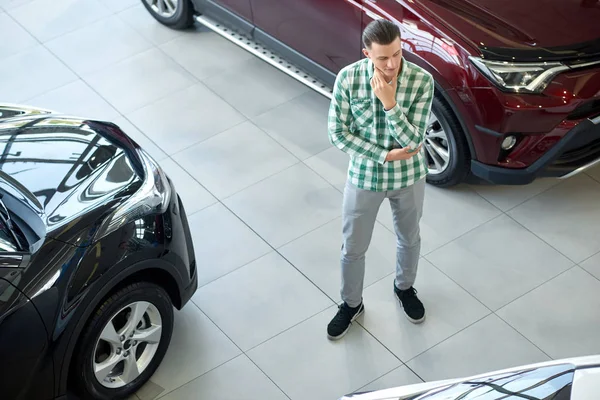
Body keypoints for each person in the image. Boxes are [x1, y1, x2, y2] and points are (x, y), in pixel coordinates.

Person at [326, 19, 434, 340]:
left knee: (409, 237)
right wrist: (383, 154)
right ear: (366, 54)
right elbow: (337, 134)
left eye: (397, 55)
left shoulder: (421, 81)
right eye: (383, 58)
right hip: (364, 176)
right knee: (353, 247)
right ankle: (351, 303)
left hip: (409, 176)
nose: (391, 65)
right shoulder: (348, 78)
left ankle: (404, 288)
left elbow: (413, 140)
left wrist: (390, 103)